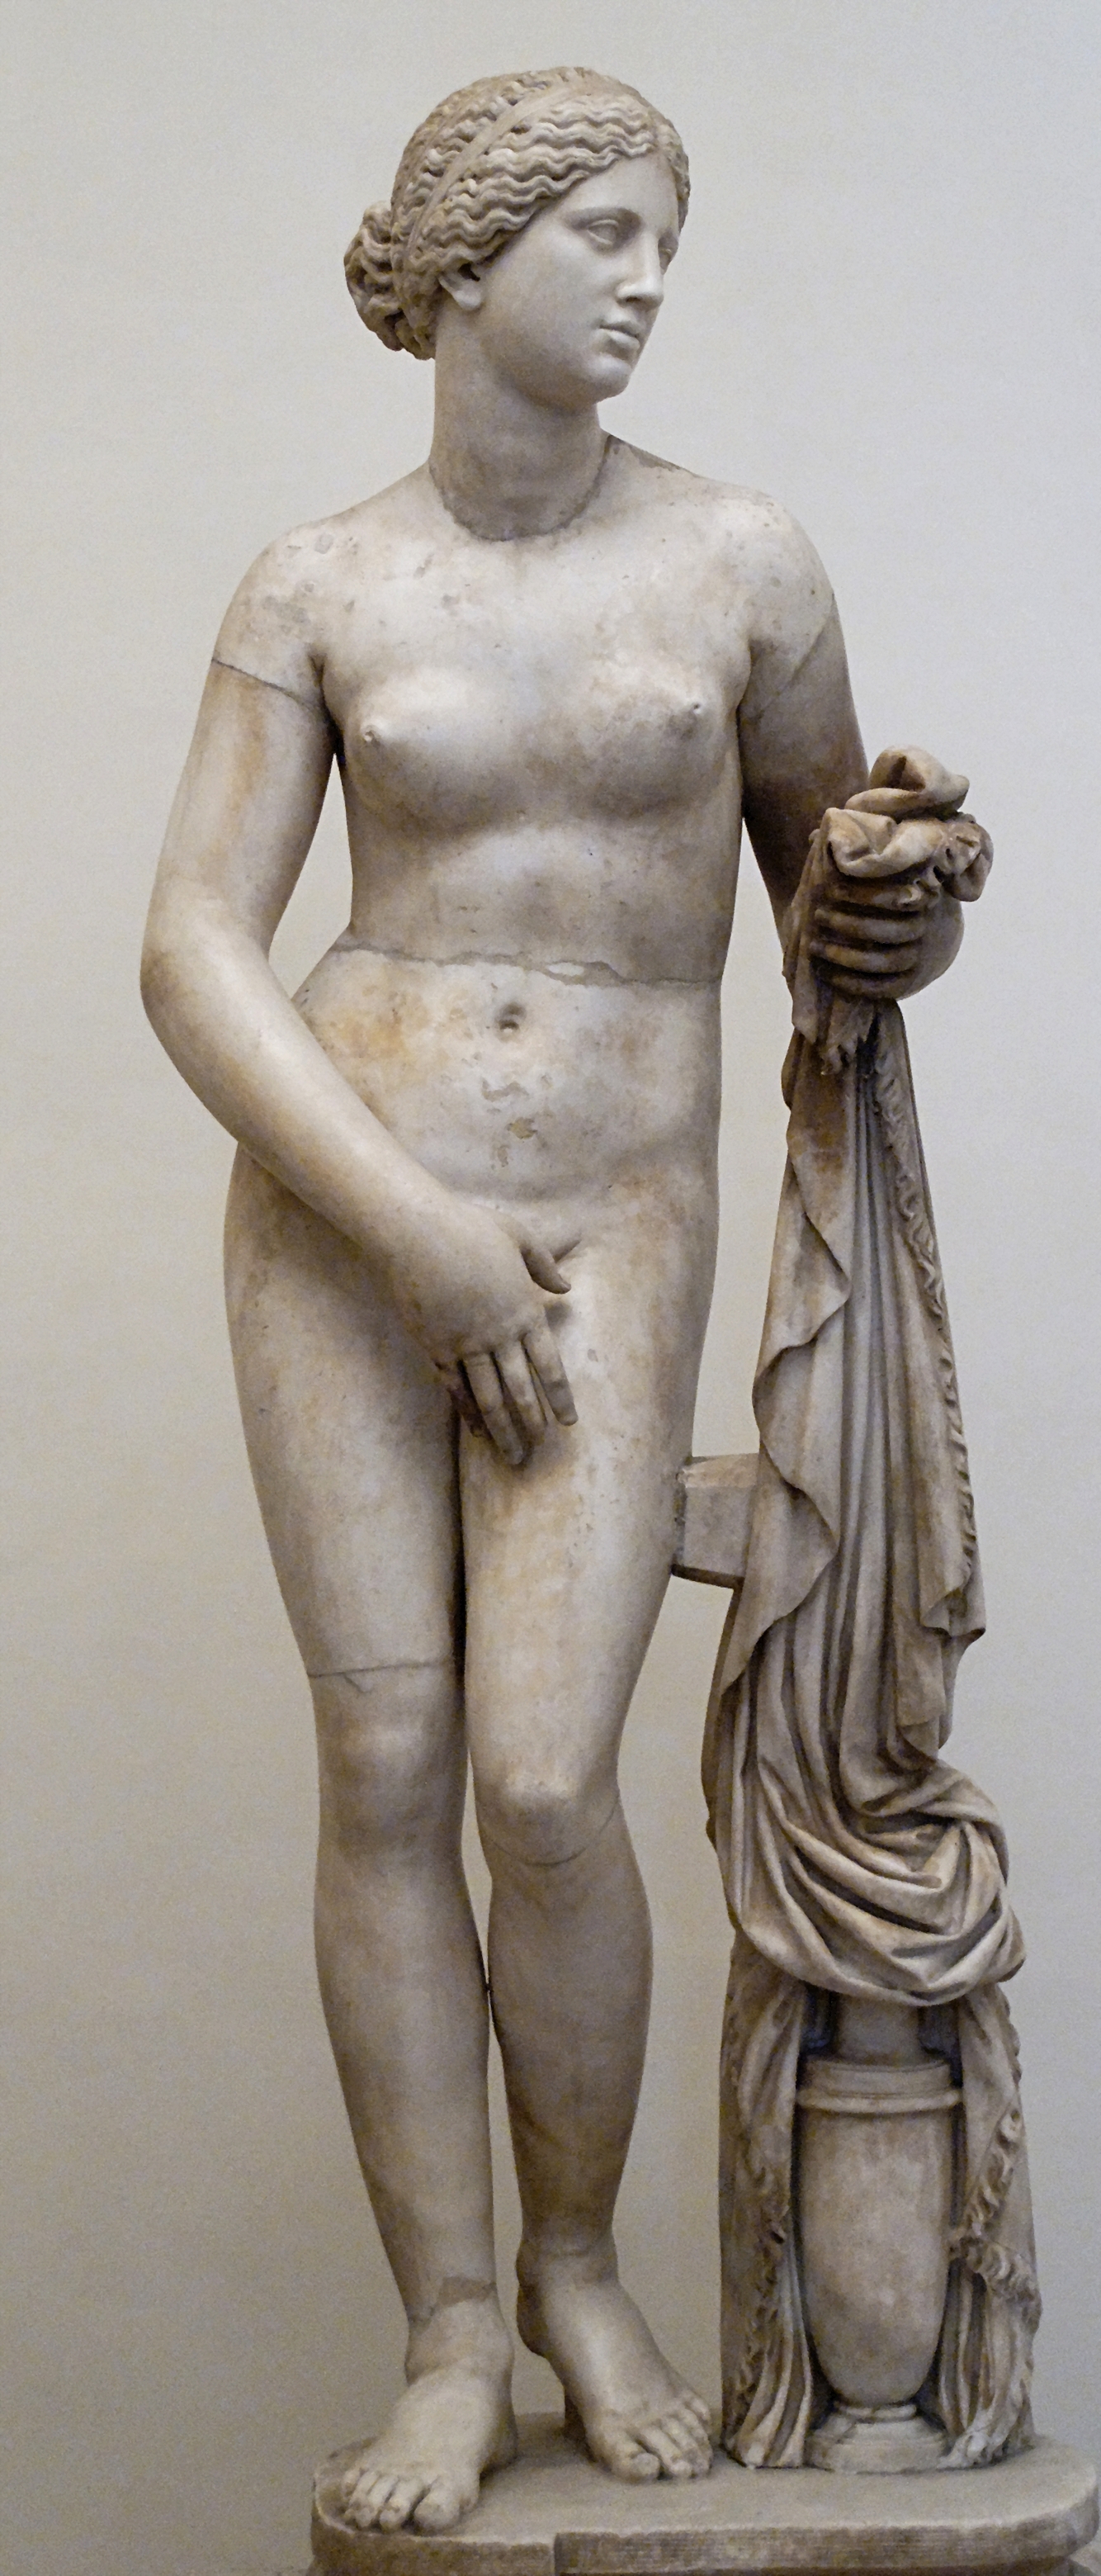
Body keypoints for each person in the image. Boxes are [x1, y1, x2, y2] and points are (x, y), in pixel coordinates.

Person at [142, 65, 962, 2536]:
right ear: (472, 258)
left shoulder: (739, 563)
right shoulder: (320, 582)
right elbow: (193, 948)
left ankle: (582, 2266)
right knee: (388, 1769)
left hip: (611, 1216)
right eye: (600, 230)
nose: (645, 279)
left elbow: (830, 902)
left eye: (658, 237)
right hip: (347, 1215)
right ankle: (452, 2331)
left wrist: (899, 897)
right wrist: (408, 1228)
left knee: (538, 1779)